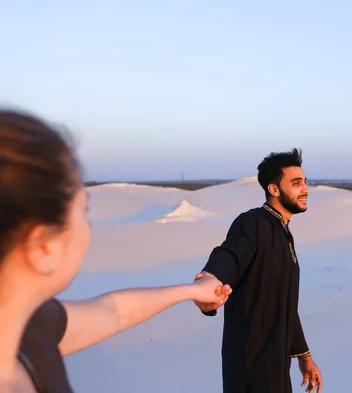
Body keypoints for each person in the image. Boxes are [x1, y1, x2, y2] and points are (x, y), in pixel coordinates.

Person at [0, 109, 232, 393]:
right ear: (43, 247)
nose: (88, 230)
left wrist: (192, 291)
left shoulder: (30, 326)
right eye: (83, 210)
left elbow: (112, 311)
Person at [194, 148, 323, 393]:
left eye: (305, 182)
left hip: (276, 364)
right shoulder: (253, 222)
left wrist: (303, 355)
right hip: (251, 367)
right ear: (274, 189)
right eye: (296, 183)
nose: (305, 189)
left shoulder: (282, 231)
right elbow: (229, 254)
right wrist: (210, 281)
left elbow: (283, 303)